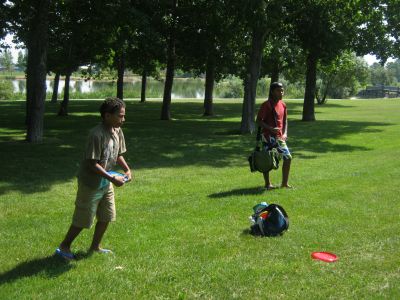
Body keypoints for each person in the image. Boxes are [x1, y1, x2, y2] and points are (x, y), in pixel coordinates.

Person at [56, 97, 132, 259]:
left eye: (123, 116)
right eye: (120, 116)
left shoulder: (117, 131)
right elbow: (92, 164)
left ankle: (95, 247)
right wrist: (112, 179)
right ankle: (64, 247)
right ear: (106, 116)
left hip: (106, 181)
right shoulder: (96, 135)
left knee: (107, 216)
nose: (123, 119)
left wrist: (127, 170)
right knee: (83, 218)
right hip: (90, 182)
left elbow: (118, 154)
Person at [256, 82, 292, 190]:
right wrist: (270, 128)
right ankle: (268, 184)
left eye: (282, 90)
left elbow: (285, 120)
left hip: (279, 138)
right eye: (278, 90)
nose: (281, 92)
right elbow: (258, 121)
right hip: (267, 137)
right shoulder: (266, 105)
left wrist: (285, 133)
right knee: (267, 160)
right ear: (272, 92)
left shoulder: (283, 104)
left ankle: (284, 184)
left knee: (288, 158)